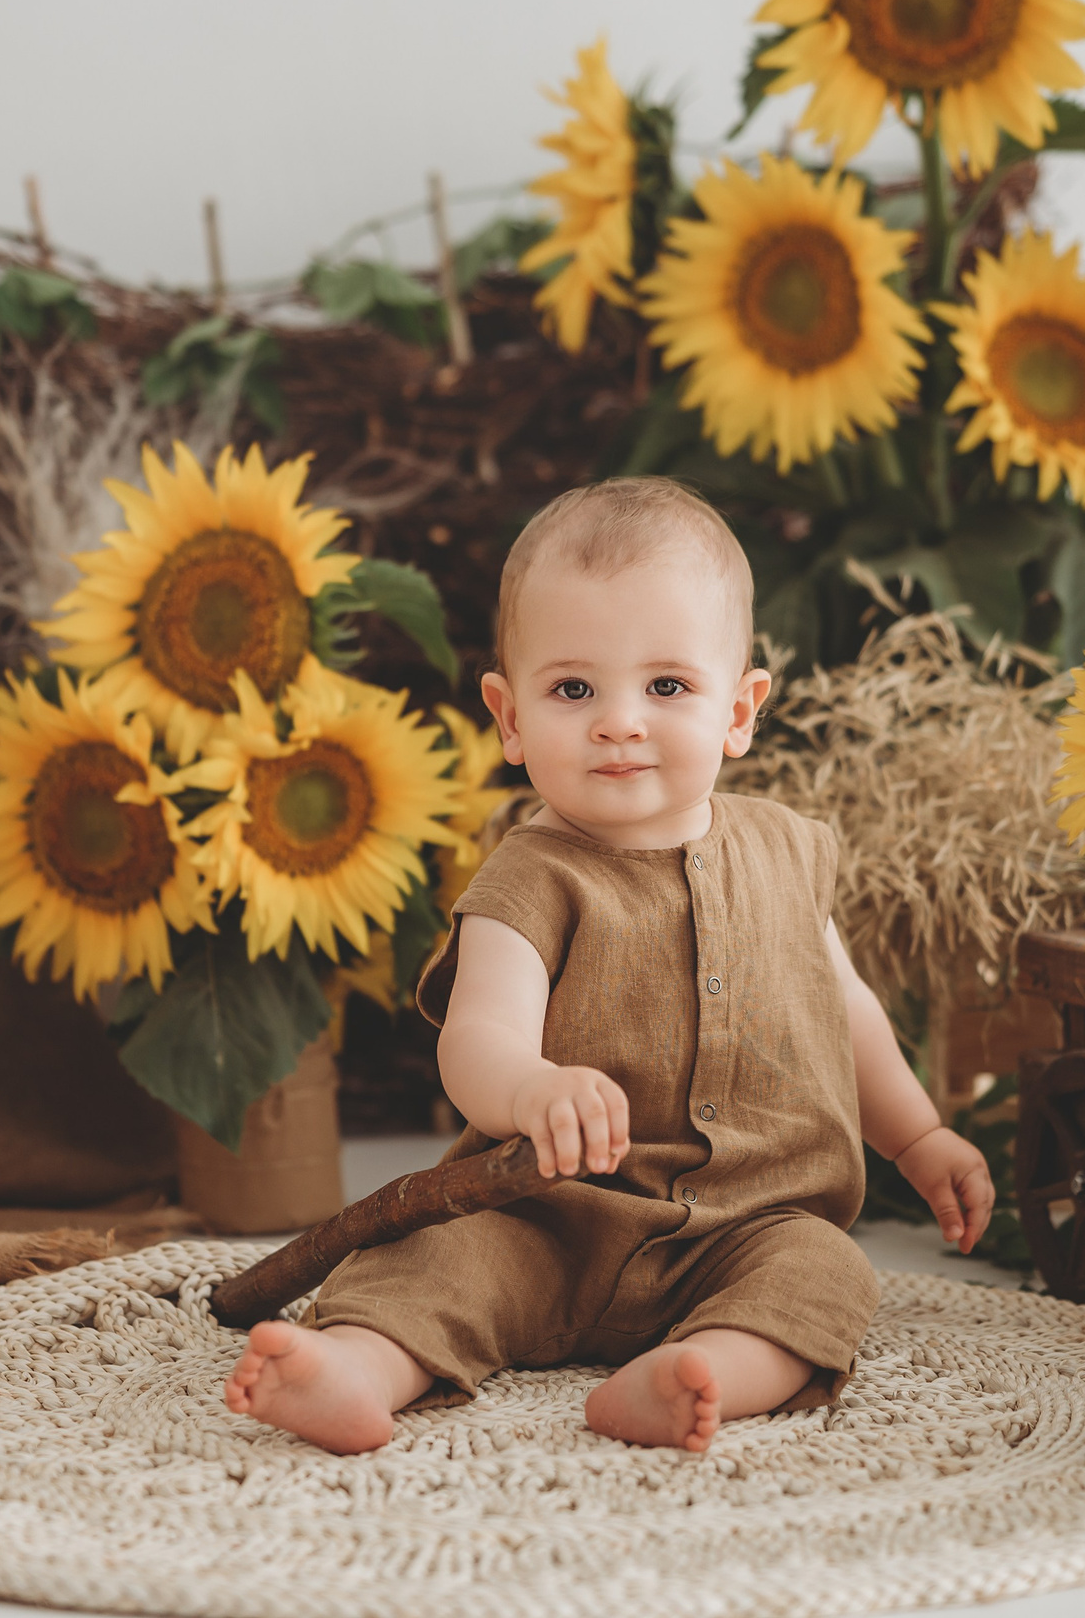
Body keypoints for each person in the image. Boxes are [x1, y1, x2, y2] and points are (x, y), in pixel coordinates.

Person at [225, 476, 994, 1454]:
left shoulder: (790, 851)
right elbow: (477, 1038)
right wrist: (530, 1086)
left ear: (740, 708)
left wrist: (919, 1137)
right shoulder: (529, 877)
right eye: (573, 688)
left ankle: (702, 1368)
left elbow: (845, 1006)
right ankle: (356, 1369)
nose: (619, 720)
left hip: (749, 1226)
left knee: (825, 1275)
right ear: (508, 716)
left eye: (666, 685)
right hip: (545, 1220)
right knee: (428, 1263)